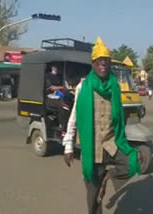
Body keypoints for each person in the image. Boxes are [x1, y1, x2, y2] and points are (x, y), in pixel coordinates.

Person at [62, 37, 142, 214]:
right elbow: (74, 117)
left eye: (105, 62)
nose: (103, 65)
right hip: (93, 148)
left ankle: (108, 177)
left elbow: (119, 117)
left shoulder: (115, 85)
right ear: (93, 64)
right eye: (99, 62)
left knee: (135, 161)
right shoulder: (84, 86)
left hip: (112, 143)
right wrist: (68, 146)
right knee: (93, 196)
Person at [45, 65, 73, 137]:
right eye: (54, 66)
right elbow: (51, 87)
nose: (56, 68)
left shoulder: (60, 76)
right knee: (63, 104)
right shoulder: (48, 76)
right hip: (50, 96)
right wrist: (63, 88)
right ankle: (63, 127)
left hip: (60, 95)